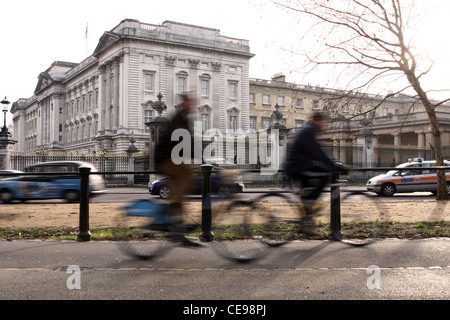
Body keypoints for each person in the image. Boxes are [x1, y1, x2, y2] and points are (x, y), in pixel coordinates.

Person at [283, 112, 347, 235]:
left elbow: (320, 150)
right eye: (324, 123)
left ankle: (306, 222)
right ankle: (309, 205)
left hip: (297, 165)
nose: (325, 126)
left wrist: (334, 162)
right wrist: (335, 165)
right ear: (318, 122)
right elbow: (318, 152)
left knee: (308, 190)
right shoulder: (309, 131)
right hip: (299, 166)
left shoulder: (309, 131)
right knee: (326, 174)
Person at [154, 93, 194, 224]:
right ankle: (174, 208)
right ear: (184, 104)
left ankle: (178, 224)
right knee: (186, 174)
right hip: (164, 159)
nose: (192, 105)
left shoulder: (184, 119)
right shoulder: (179, 118)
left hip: (171, 158)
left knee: (180, 191)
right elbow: (181, 138)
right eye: (189, 103)